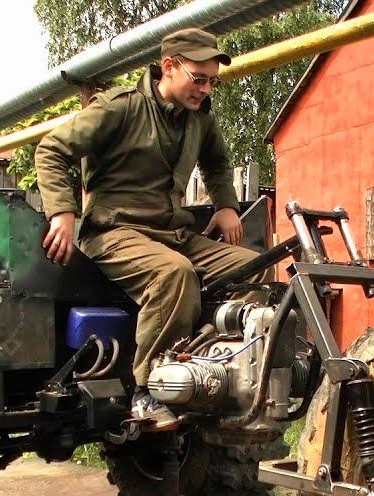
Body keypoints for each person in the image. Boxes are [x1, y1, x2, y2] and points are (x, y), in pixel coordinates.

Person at [34, 28, 267, 432]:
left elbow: (216, 164)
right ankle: (150, 391)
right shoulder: (120, 108)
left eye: (213, 81)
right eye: (199, 78)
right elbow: (52, 150)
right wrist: (62, 213)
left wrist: (226, 205)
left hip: (171, 231)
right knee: (172, 274)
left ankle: (211, 366)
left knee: (255, 267)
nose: (206, 88)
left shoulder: (199, 119)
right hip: (114, 230)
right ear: (169, 67)